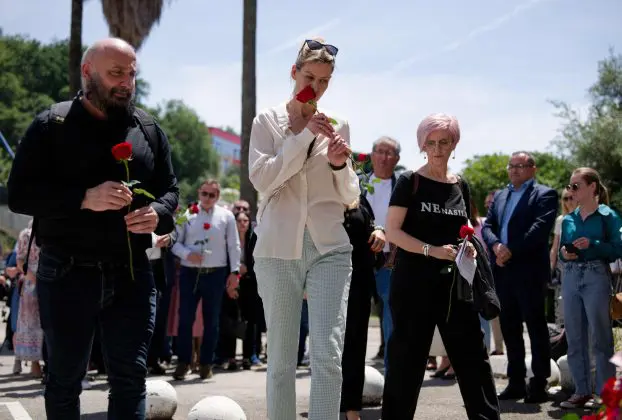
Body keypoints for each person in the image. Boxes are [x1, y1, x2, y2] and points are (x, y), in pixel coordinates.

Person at [7, 38, 179, 420]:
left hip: (132, 274)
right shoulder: (51, 125)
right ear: (87, 72)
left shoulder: (148, 129)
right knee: (65, 380)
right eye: (116, 73)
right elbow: (18, 195)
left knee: (131, 379)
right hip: (66, 272)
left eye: (131, 74)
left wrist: (158, 213)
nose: (126, 83)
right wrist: (83, 198)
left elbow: (171, 190)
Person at [248, 37, 360, 420]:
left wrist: (339, 165)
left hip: (330, 247)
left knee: (328, 355)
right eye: (310, 77)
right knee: (281, 361)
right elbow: (263, 180)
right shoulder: (266, 121)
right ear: (293, 72)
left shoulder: (339, 123)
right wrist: (305, 135)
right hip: (277, 249)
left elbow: (350, 195)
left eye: (325, 80)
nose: (316, 86)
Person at [382, 113, 500, 419]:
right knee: (406, 364)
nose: (437, 149)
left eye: (444, 142)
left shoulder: (460, 184)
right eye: (431, 143)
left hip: (455, 287)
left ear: (454, 144)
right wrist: (431, 250)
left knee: (474, 359)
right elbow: (392, 231)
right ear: (422, 145)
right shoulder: (410, 181)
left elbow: (465, 229)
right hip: (413, 285)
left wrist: (468, 248)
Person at [482, 151, 558, 403]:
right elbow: (488, 226)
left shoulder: (545, 194)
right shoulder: (500, 195)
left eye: (520, 166)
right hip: (502, 270)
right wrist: (496, 247)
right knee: (509, 327)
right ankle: (515, 382)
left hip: (529, 271)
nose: (514, 170)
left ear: (533, 169)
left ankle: (539, 383)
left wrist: (510, 249)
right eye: (511, 165)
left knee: (536, 327)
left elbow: (539, 229)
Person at [558, 168, 622, 409]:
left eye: (576, 186)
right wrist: (564, 254)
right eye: (569, 186)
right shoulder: (568, 219)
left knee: (600, 338)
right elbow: (563, 253)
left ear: (592, 187)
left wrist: (593, 244)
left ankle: (605, 395)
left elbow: (618, 249)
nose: (571, 190)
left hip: (596, 276)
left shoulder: (608, 216)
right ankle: (581, 391)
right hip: (570, 276)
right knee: (574, 338)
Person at [171, 179, 241, 380]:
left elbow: (234, 245)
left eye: (212, 195)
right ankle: (183, 362)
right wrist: (187, 254)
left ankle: (206, 363)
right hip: (190, 272)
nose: (207, 198)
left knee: (212, 321)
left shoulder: (226, 216)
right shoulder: (187, 214)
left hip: (216, 273)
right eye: (204, 194)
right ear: (199, 193)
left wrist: (234, 272)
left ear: (217, 196)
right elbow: (174, 242)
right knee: (185, 319)